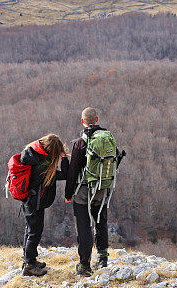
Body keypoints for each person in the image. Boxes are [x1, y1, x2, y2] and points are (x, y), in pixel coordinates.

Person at [65, 107, 124, 276]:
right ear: (97, 119)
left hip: (83, 190)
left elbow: (73, 171)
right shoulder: (108, 139)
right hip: (102, 189)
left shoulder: (81, 142)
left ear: (82, 121)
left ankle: (84, 265)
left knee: (83, 225)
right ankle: (102, 257)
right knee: (100, 220)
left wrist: (68, 194)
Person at [20, 133, 69, 276]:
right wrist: (64, 157)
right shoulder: (44, 166)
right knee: (34, 232)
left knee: (30, 230)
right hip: (35, 202)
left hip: (29, 199)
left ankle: (29, 261)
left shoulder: (33, 154)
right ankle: (29, 265)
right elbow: (64, 174)